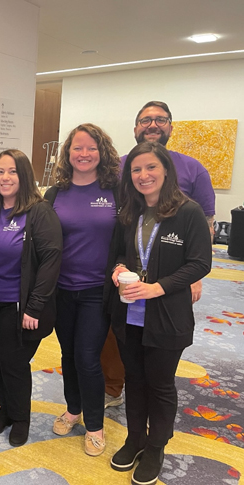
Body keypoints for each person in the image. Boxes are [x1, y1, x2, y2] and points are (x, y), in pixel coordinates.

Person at [107, 142, 211, 485]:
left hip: (166, 316)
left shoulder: (188, 211)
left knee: (160, 384)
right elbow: (120, 253)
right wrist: (119, 267)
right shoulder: (130, 210)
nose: (143, 175)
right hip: (129, 314)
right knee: (134, 379)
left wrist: (157, 287)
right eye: (136, 170)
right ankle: (135, 437)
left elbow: (200, 263)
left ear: (165, 170)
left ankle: (156, 446)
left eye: (151, 167)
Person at [101, 100, 216, 410]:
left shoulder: (193, 169)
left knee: (159, 366)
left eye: (160, 120)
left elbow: (206, 225)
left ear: (170, 126)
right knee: (121, 338)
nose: (152, 125)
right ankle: (114, 388)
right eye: (145, 120)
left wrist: (192, 277)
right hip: (128, 272)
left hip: (171, 274)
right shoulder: (119, 167)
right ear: (136, 127)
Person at [44, 123, 120, 457]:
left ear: (101, 152)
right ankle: (73, 410)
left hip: (96, 291)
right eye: (77, 148)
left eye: (91, 148)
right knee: (68, 355)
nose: (84, 154)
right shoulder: (56, 192)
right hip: (62, 289)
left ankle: (94, 426)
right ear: (68, 153)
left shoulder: (116, 189)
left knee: (88, 357)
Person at [0, 149, 62, 447]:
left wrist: (34, 306)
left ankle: (21, 417)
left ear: (24, 175)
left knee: (14, 362)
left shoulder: (39, 212)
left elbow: (51, 261)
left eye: (12, 171)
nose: (5, 177)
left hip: (19, 303)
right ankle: (6, 409)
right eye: (0, 171)